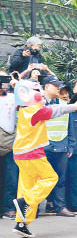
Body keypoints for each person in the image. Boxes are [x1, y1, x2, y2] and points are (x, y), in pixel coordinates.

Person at [11, 79, 77, 237]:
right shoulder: (34, 110)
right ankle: (26, 202)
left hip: (22, 153)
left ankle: (22, 224)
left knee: (26, 187)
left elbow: (53, 107)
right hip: (32, 153)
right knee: (50, 178)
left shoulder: (25, 109)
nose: (40, 92)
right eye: (36, 90)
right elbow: (55, 111)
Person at [41, 76, 74, 217]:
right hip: (43, 145)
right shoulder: (37, 103)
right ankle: (32, 208)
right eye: (55, 86)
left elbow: (70, 126)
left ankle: (60, 207)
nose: (59, 88)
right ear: (47, 86)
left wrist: (70, 146)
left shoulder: (64, 104)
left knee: (60, 178)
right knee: (40, 178)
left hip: (61, 145)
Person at [0, 71, 18, 220]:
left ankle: (8, 208)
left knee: (11, 178)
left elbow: (31, 101)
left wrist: (16, 85)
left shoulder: (13, 97)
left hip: (11, 142)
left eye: (6, 78)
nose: (4, 81)